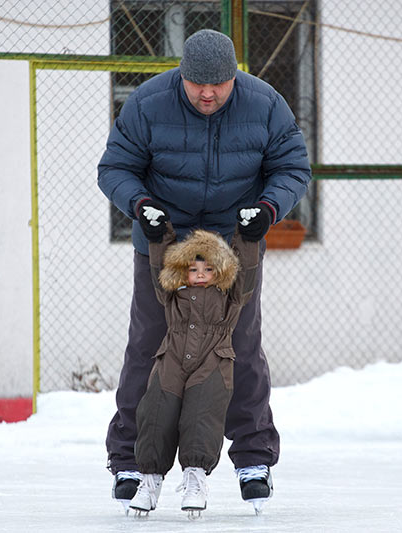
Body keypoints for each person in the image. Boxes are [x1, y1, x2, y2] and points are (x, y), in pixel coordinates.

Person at [98, 28, 311, 512]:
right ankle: (131, 458)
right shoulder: (149, 103)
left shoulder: (265, 104)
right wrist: (140, 204)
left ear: (235, 76)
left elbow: (292, 167)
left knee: (240, 347)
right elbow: (115, 167)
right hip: (162, 245)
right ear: (182, 76)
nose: (208, 93)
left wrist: (268, 208)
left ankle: (254, 459)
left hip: (232, 249)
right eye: (197, 84)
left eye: (219, 83)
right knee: (150, 345)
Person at [128, 213, 260, 517]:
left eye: (208, 268)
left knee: (202, 415)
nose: (200, 274)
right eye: (192, 268)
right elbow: (160, 262)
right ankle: (149, 481)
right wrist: (160, 233)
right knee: (156, 412)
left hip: (212, 359)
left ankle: (195, 479)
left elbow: (248, 268)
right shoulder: (171, 294)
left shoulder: (231, 295)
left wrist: (247, 235)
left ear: (220, 271)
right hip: (172, 357)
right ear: (181, 271)